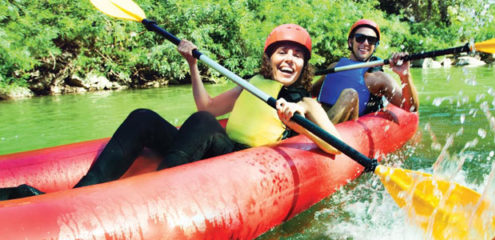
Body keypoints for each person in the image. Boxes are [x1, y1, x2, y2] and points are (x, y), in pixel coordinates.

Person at [0, 24, 340, 200]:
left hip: (243, 162)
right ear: (269, 57)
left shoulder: (305, 104)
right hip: (214, 150)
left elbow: (334, 147)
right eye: (282, 51)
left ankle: (155, 195)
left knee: (205, 124)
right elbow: (205, 107)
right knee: (144, 117)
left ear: (304, 65)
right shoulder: (249, 84)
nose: (289, 59)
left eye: (297, 55)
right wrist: (192, 65)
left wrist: (297, 121)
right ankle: (81, 194)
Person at [311, 19, 419, 124]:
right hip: (320, 118)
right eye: (360, 38)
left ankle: (318, 132)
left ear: (375, 46)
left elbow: (411, 108)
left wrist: (405, 75)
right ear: (350, 42)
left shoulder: (378, 78)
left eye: (371, 40)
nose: (365, 43)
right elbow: (310, 92)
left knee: (349, 94)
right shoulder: (334, 67)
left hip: (346, 129)